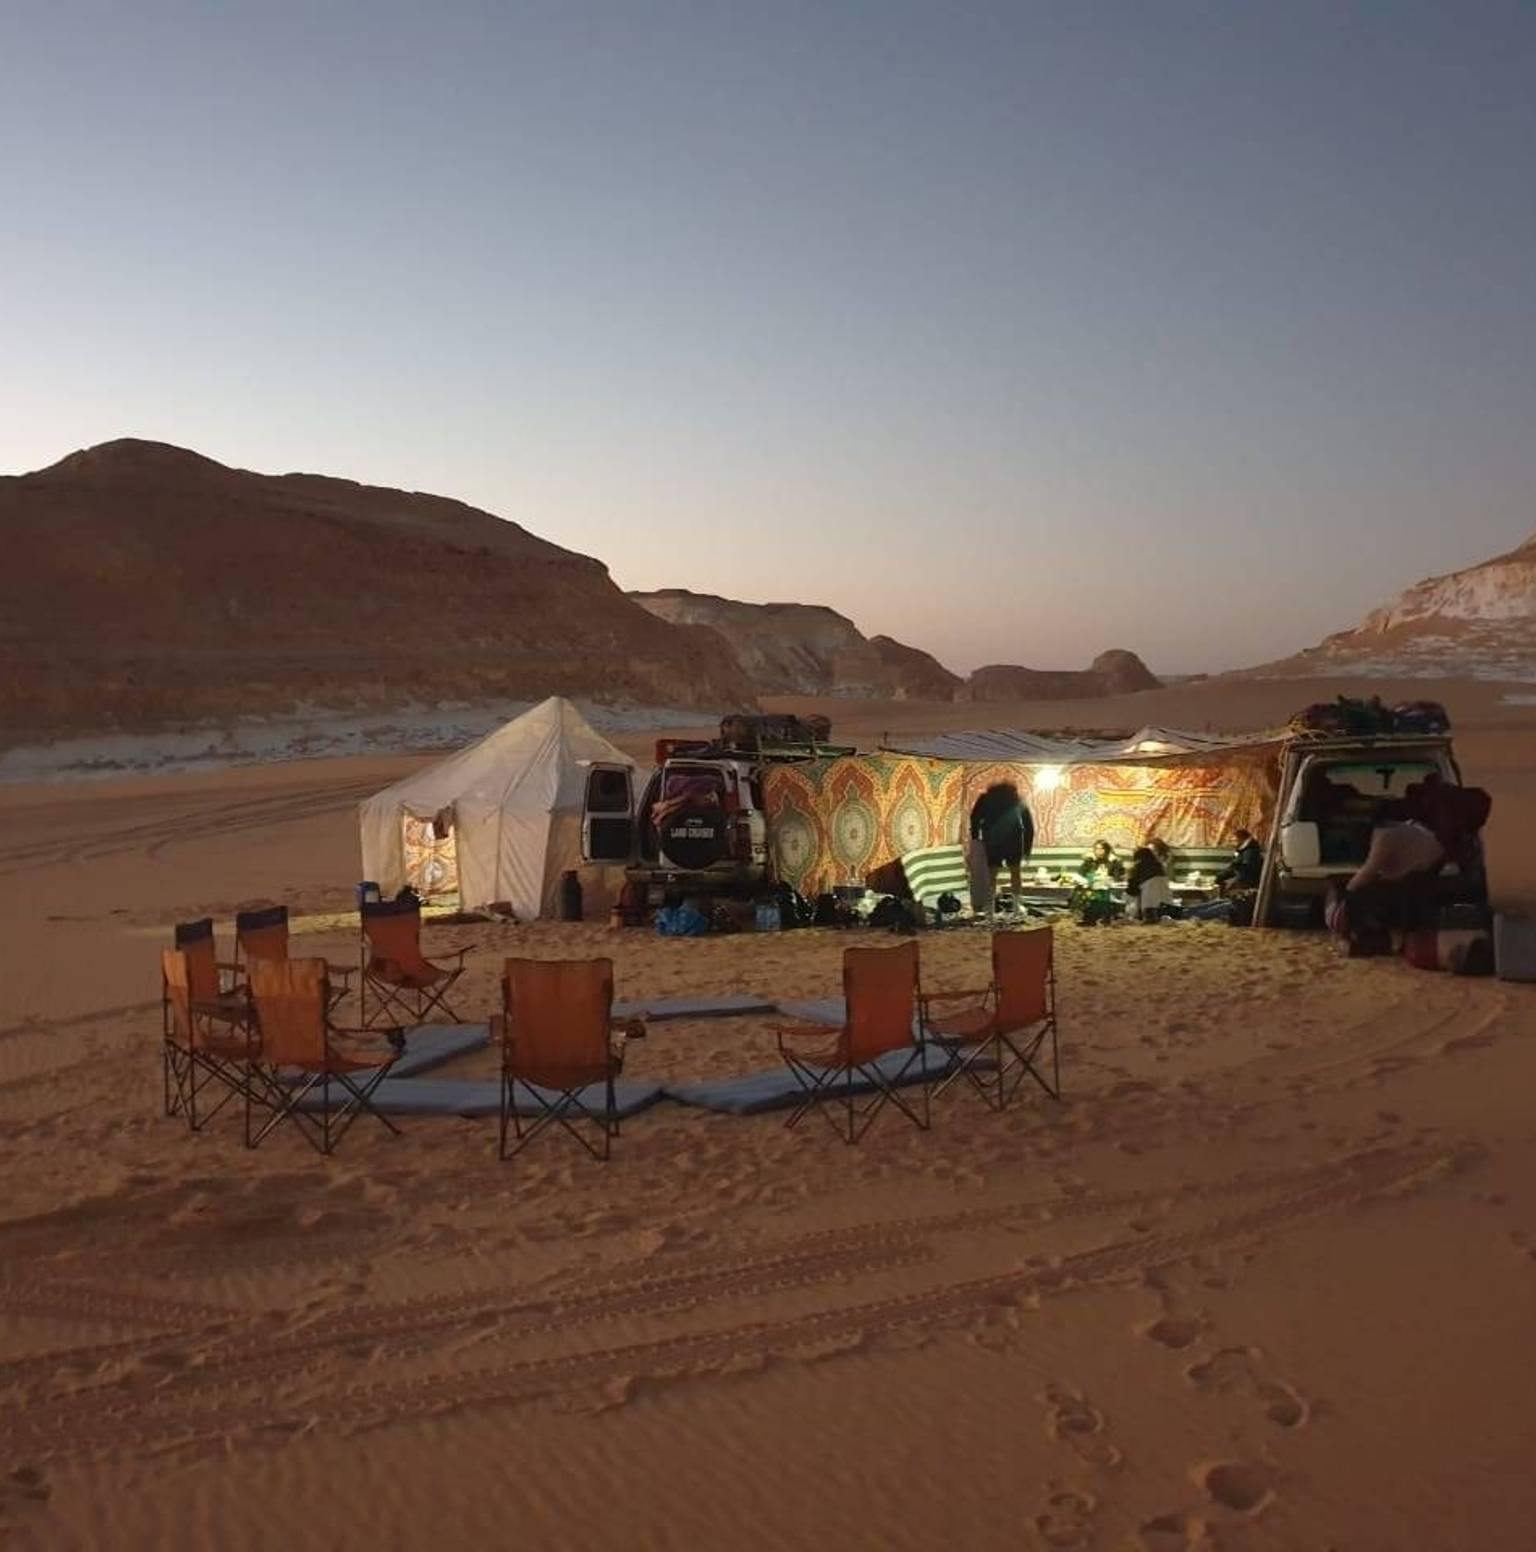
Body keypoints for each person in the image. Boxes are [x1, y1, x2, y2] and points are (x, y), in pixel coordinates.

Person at [968, 780, 1035, 915]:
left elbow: (974, 817)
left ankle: (990, 908)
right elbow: (1028, 824)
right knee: (1015, 873)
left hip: (992, 839)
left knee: (992, 875)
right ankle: (1016, 907)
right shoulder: (1016, 799)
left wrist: (975, 837)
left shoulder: (985, 798)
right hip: (1013, 839)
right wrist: (1027, 849)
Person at [1125, 842, 1171, 921]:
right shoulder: (1159, 865)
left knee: (1150, 920)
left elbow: (1132, 889)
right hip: (1165, 899)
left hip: (1149, 899)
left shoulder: (1138, 866)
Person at [1215, 828, 1264, 895]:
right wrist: (1220, 876)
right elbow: (1234, 867)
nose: (1233, 843)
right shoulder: (1243, 850)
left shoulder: (1250, 852)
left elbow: (1246, 872)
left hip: (1247, 882)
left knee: (1224, 890)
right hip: (1241, 878)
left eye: (1235, 840)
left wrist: (1231, 882)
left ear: (1241, 839)